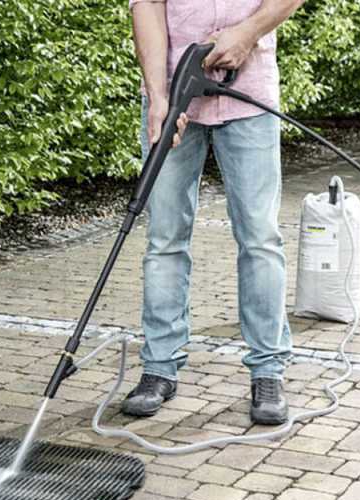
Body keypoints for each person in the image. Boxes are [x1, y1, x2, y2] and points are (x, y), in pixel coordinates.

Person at [123, 0, 305, 425]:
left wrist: (248, 32)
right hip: (173, 97)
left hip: (249, 96)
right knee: (164, 238)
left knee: (259, 239)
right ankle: (159, 368)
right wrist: (157, 96)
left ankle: (267, 370)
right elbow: (146, 4)